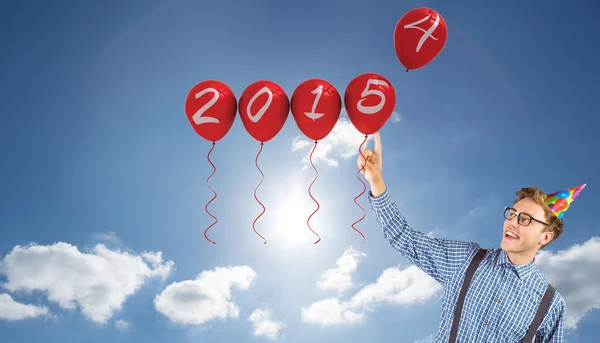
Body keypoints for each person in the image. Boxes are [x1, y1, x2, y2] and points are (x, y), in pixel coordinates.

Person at [357, 132, 585, 342]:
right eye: (512, 213)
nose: (512, 222)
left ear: (545, 237)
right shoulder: (466, 259)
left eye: (525, 219)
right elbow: (403, 237)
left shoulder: (551, 304)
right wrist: (376, 180)